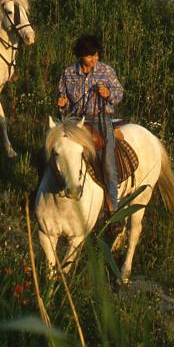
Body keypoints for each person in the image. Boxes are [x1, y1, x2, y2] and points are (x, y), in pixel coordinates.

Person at [56, 34, 124, 213]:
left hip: (100, 119)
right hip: (76, 121)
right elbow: (64, 103)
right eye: (89, 56)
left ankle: (112, 210)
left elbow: (119, 94)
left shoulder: (106, 71)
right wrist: (62, 105)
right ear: (80, 55)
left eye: (96, 55)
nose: (94, 59)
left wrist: (108, 94)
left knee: (108, 165)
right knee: (54, 152)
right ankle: (42, 194)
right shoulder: (68, 73)